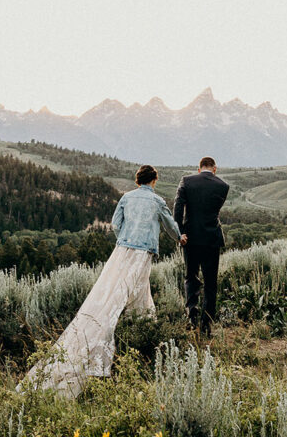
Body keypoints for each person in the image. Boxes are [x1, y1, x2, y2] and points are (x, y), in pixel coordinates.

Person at [19, 164, 182, 398]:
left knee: (112, 293)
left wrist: (124, 238)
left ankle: (132, 336)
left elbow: (115, 225)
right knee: (130, 293)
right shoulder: (157, 201)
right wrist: (180, 238)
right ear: (154, 180)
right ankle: (138, 340)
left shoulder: (126, 197)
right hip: (142, 253)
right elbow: (170, 225)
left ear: (138, 181)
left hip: (121, 251)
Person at [173, 156, 230, 335]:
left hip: (190, 237)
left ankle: (191, 315)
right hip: (212, 238)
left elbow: (177, 208)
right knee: (211, 282)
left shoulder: (187, 181)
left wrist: (180, 231)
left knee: (191, 277)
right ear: (215, 169)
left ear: (199, 169)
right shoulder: (223, 186)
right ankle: (206, 324)